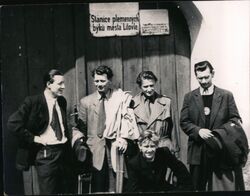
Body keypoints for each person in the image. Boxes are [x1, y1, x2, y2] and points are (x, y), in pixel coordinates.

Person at [180, 60, 247, 191]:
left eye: (206, 77)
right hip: (198, 152)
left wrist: (219, 134)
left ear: (213, 73)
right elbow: (184, 121)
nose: (204, 81)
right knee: (197, 188)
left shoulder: (226, 95)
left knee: (220, 188)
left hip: (220, 150)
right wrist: (198, 131)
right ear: (196, 76)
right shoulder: (189, 97)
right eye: (200, 78)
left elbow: (235, 119)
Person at [73, 65, 139, 193]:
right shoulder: (86, 102)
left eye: (102, 81)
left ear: (109, 81)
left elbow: (127, 122)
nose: (99, 84)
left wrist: (123, 139)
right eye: (96, 81)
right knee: (97, 187)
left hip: (114, 148)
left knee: (116, 185)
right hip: (95, 151)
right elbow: (81, 128)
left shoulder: (118, 99)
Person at [7, 69, 72, 194]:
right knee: (48, 192)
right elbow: (12, 123)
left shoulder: (62, 101)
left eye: (63, 83)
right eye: (60, 84)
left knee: (64, 191)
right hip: (46, 154)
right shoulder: (33, 102)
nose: (63, 87)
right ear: (48, 84)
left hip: (63, 153)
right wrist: (34, 138)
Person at [124, 130, 193, 192]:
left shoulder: (164, 153)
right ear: (140, 146)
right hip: (145, 191)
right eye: (146, 146)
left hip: (162, 189)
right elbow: (135, 189)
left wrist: (183, 189)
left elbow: (180, 170)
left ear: (157, 146)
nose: (149, 150)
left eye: (152, 146)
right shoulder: (133, 163)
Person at [130, 71, 177, 151]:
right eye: (145, 86)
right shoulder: (133, 104)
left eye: (151, 85)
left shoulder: (166, 102)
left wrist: (175, 149)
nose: (149, 89)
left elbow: (174, 130)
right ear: (140, 86)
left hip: (163, 147)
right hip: (143, 148)